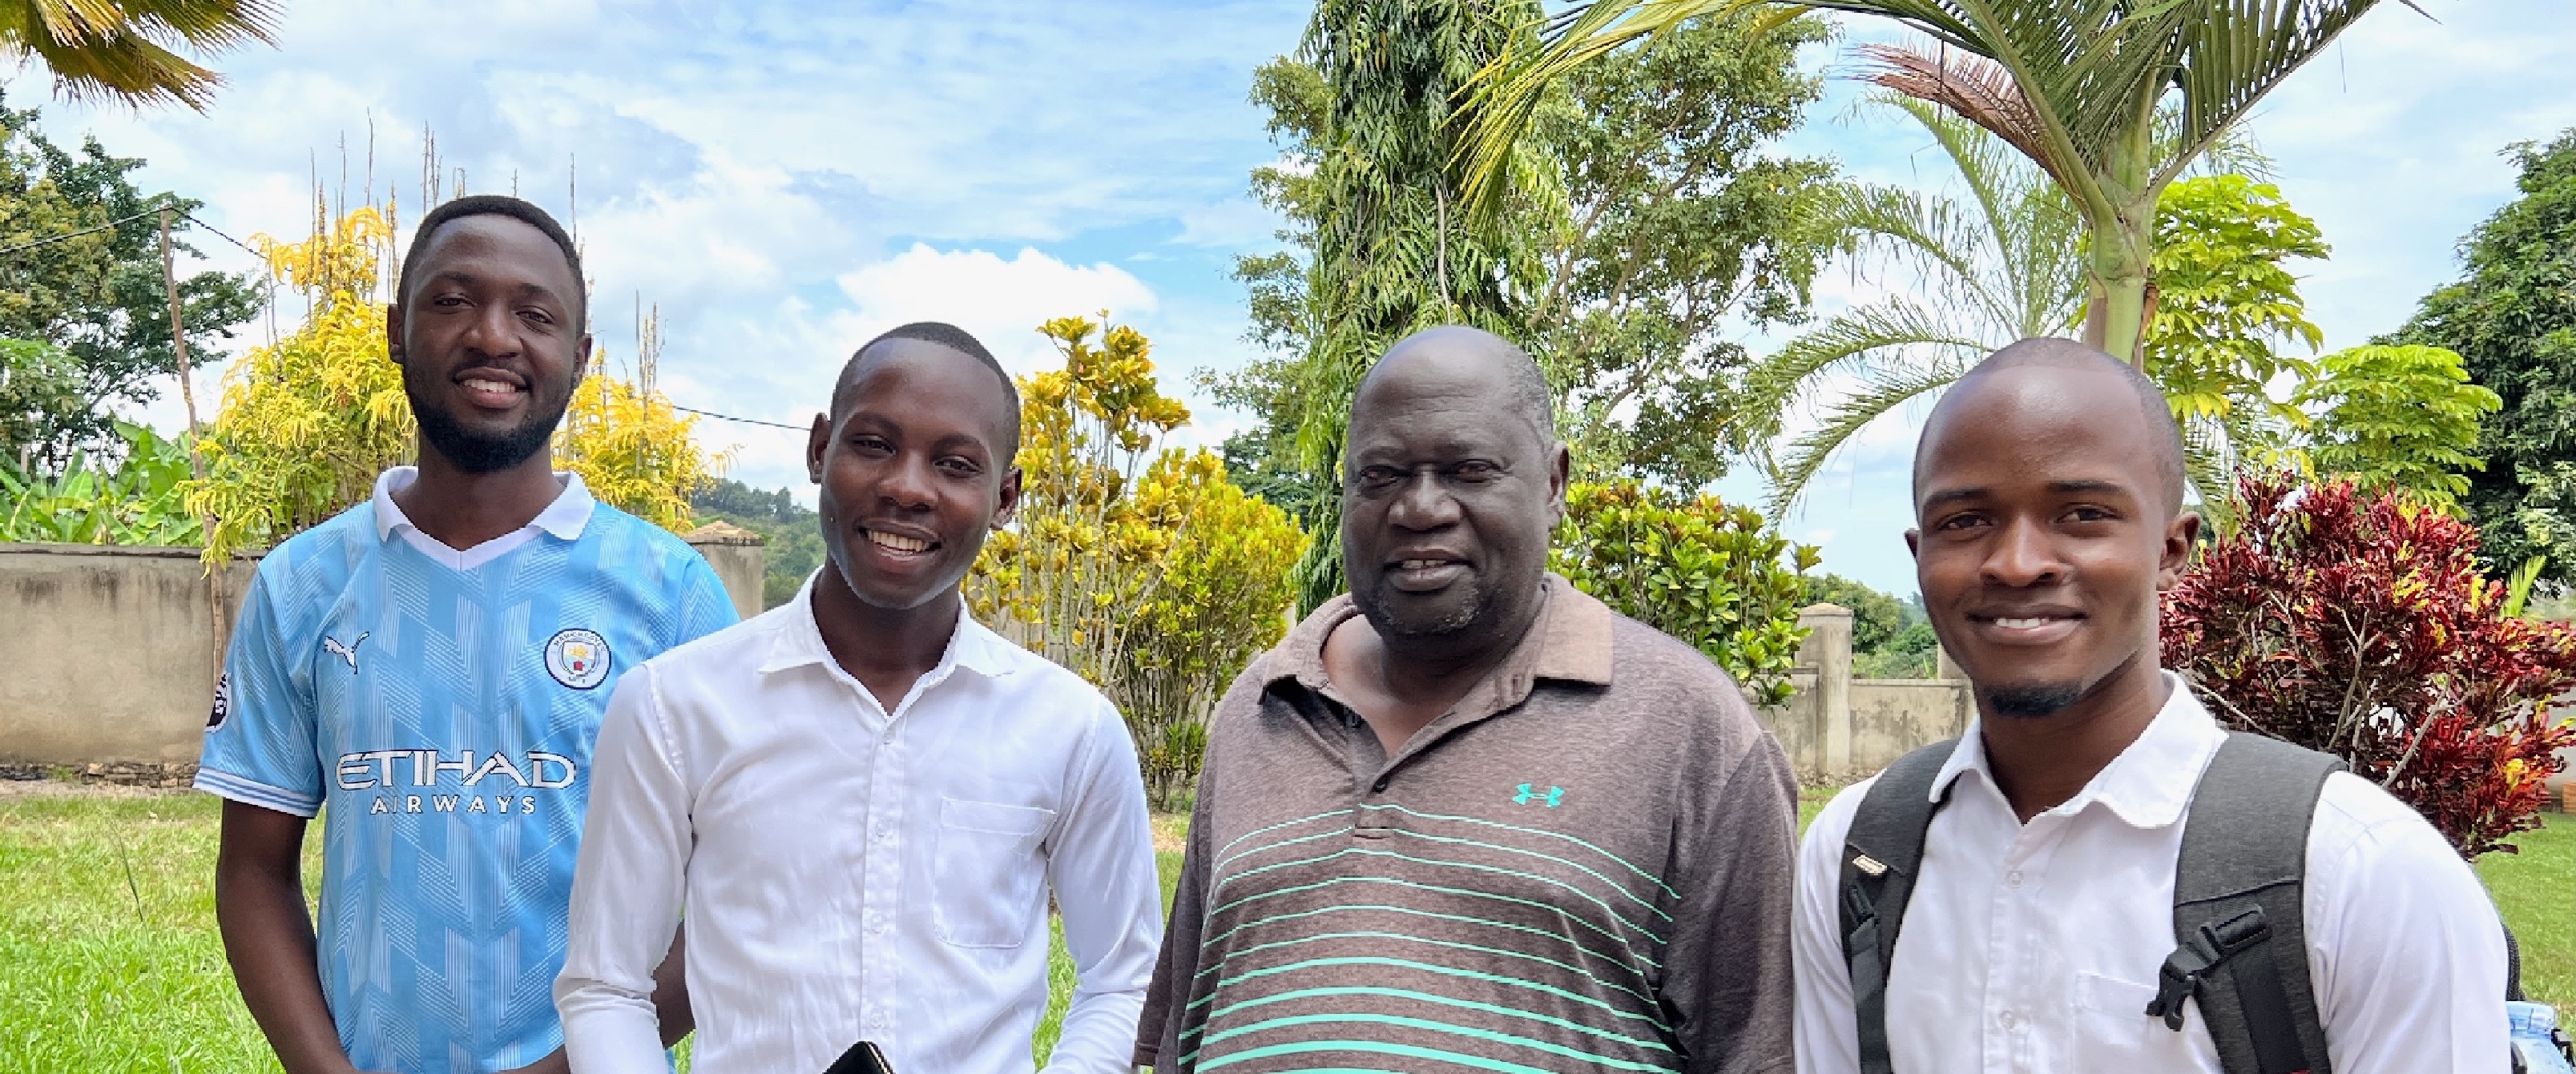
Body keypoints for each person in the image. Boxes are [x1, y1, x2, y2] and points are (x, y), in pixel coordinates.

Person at [1790, 337, 2511, 1072]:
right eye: (1965, 521)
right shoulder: (1857, 853)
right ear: (1919, 555)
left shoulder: (2361, 875)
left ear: (2172, 548)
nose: (2016, 562)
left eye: (2081, 513)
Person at [1135, 326, 1800, 1074]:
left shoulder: (1686, 725)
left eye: (1468, 469)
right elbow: (1180, 1035)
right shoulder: (1259, 707)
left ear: (1552, 484)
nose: (1420, 508)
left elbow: (1758, 1048)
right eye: (1380, 475)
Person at [199, 195, 736, 1074]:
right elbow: (254, 872)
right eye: (452, 301)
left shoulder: (669, 594)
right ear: (395, 333)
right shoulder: (303, 584)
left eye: (535, 314)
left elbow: (735, 887)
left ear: (580, 359)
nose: (493, 336)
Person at [555, 322, 1165, 1074]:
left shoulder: (1072, 729)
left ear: (1004, 496)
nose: (908, 486)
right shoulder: (671, 706)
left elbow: (1122, 976)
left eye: (954, 463)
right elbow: (605, 983)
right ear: (819, 450)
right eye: (873, 444)